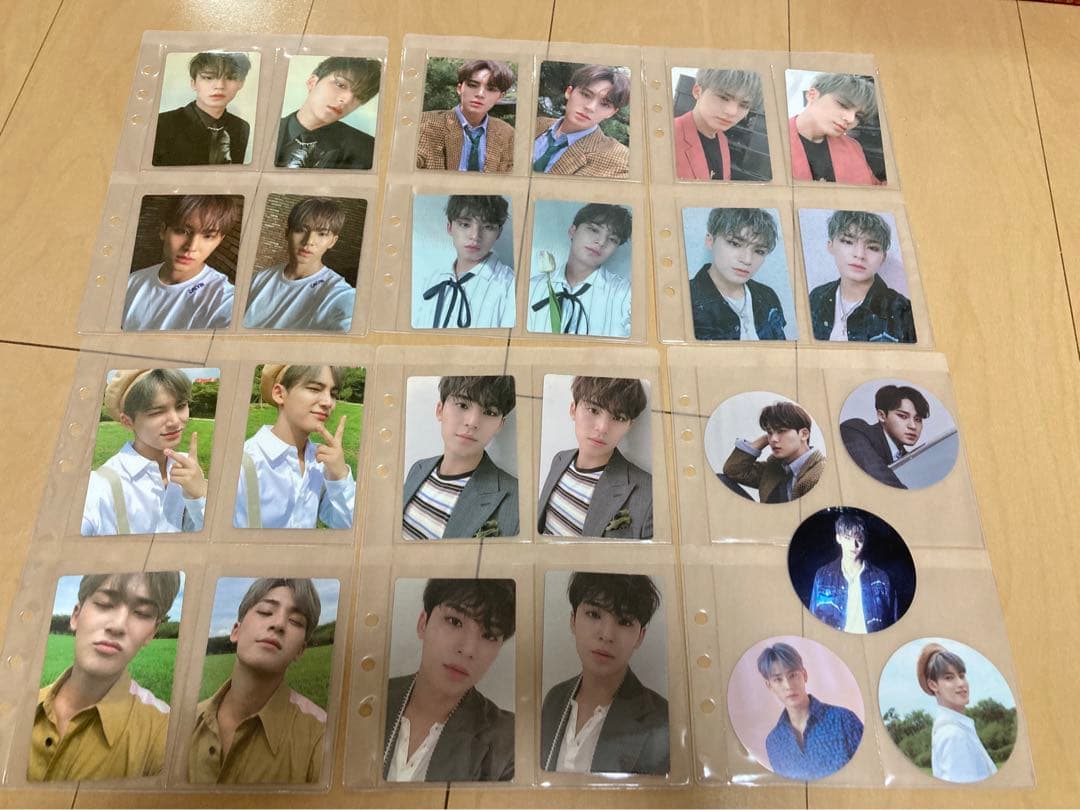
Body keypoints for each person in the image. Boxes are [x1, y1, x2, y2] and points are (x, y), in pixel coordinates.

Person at [29, 571, 181, 781]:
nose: (118, 626)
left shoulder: (166, 731)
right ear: (76, 615)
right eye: (105, 603)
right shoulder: (18, 705)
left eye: (142, 613)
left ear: (152, 633)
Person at [189, 578, 327, 783]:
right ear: (236, 631)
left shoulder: (322, 737)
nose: (279, 624)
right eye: (265, 611)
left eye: (296, 621)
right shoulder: (184, 721)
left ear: (300, 650)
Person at [383, 579, 516, 782]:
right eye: (454, 622)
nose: (468, 649)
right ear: (423, 624)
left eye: (489, 635)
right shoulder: (369, 697)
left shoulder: (509, 740)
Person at [540, 573, 668, 775]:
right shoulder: (554, 700)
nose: (607, 635)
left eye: (624, 621)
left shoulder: (662, 720)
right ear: (573, 620)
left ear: (640, 636)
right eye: (593, 614)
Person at [82, 369, 207, 536]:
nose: (175, 421)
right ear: (127, 421)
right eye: (157, 412)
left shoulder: (187, 466)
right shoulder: (101, 486)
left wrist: (198, 496)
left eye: (181, 406)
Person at [234, 365, 355, 529]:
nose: (328, 402)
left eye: (333, 394)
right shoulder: (243, 464)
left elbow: (349, 525)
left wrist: (340, 476)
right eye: (314, 389)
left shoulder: (320, 463)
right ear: (279, 394)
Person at [403, 376, 518, 539]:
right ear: (440, 410)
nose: (472, 422)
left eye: (490, 412)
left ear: (500, 425)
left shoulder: (517, 500)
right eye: (463, 405)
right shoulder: (418, 468)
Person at [538, 376, 652, 539]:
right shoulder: (560, 459)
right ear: (573, 410)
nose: (603, 428)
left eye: (619, 417)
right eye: (593, 410)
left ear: (629, 426)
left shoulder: (649, 496)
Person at [122, 195, 242, 331]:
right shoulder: (132, 282)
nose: (191, 247)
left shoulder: (224, 299)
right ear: (163, 231)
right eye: (182, 231)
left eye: (208, 236)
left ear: (219, 240)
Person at [243, 197, 356, 332]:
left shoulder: (338, 292)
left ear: (332, 241)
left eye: (321, 234)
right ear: (287, 233)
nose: (309, 241)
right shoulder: (259, 278)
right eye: (301, 230)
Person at [758, 642, 863, 781]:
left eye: (793, 675)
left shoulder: (844, 720)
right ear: (769, 685)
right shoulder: (774, 742)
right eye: (778, 679)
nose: (788, 686)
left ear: (804, 675)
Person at [807, 210, 915, 343]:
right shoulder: (816, 298)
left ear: (883, 257)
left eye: (872, 247)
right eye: (848, 242)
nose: (859, 255)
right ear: (831, 246)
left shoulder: (903, 312)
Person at [527, 203, 632, 337]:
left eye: (612, 239)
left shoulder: (625, 294)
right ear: (572, 231)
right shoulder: (531, 288)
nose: (601, 242)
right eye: (594, 230)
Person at [412, 196, 515, 329]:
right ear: (449, 227)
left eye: (488, 227)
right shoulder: (431, 280)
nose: (475, 236)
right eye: (465, 225)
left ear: (499, 233)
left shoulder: (510, 288)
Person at [689, 208, 788, 341]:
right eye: (735, 244)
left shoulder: (767, 295)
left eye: (759, 251)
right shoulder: (687, 298)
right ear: (710, 240)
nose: (747, 260)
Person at [275, 56, 381, 169]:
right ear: (312, 82)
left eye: (359, 96)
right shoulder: (266, 130)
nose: (347, 100)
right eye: (340, 85)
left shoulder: (369, 151)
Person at [917, 643, 998, 783]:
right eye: (949, 678)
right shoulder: (953, 735)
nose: (961, 683)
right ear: (933, 685)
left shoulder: (957, 729)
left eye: (961, 675)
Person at [153, 52, 252, 166]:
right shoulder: (161, 124)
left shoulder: (241, 127)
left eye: (230, 78)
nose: (220, 86)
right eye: (208, 77)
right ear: (193, 83)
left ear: (241, 83)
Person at [417, 59, 515, 172]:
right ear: (460, 88)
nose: (480, 94)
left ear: (500, 97)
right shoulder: (425, 123)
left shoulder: (507, 133)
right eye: (473, 85)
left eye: (491, 89)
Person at [533, 64, 630, 178]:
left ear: (612, 112)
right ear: (569, 92)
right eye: (586, 94)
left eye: (605, 104)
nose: (590, 107)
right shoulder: (537, 123)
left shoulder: (619, 160)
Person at [808, 512, 897, 633]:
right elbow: (813, 620)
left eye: (859, 539)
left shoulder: (882, 579)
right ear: (838, 538)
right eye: (848, 538)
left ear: (865, 539)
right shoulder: (823, 575)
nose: (853, 545)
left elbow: (894, 624)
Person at [721, 401, 825, 503]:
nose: (773, 439)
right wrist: (764, 440)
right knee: (722, 480)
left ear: (804, 434)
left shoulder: (820, 473)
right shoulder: (775, 467)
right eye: (770, 432)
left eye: (781, 431)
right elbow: (733, 471)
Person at [788, 72, 880, 185]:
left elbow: (874, 187)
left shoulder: (853, 148)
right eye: (843, 105)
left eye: (858, 116)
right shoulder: (772, 140)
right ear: (812, 95)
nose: (851, 119)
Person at [674, 69, 762, 181]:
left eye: (744, 105)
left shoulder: (722, 140)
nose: (732, 111)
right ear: (697, 91)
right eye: (723, 97)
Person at [840, 384, 929, 488]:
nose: (913, 426)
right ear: (882, 416)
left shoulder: (909, 461)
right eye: (903, 416)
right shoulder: (855, 430)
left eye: (917, 419)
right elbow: (875, 473)